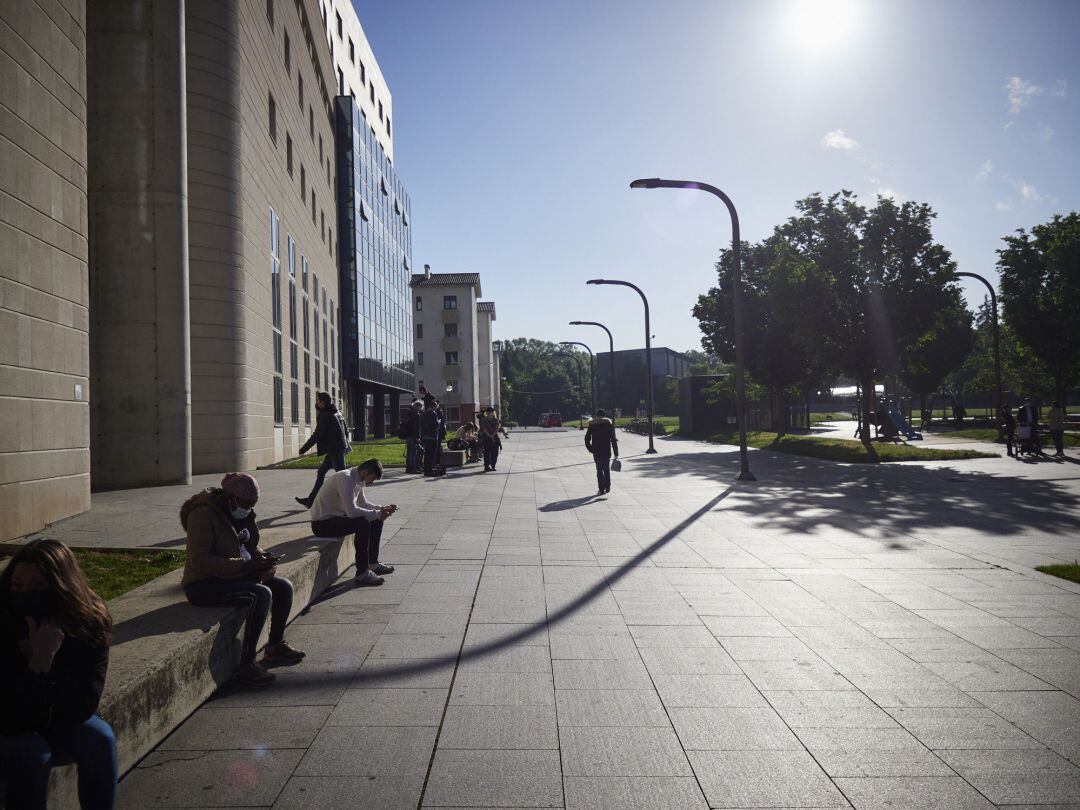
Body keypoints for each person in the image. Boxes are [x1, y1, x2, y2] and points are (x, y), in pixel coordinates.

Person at [0, 539, 118, 810]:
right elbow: (9, 716)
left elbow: (85, 703)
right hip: (9, 726)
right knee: (32, 752)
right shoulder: (4, 620)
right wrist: (38, 664)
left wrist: (48, 662)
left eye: (38, 586)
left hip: (57, 715)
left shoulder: (87, 622)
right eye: (17, 586)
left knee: (99, 738)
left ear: (62, 587)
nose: (25, 594)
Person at [182, 473, 305, 687]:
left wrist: (262, 558)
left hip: (234, 573)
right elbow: (200, 560)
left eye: (253, 504)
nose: (248, 508)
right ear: (230, 497)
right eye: (246, 503)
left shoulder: (241, 514)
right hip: (204, 583)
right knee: (260, 594)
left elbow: (247, 544)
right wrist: (245, 566)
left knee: (283, 587)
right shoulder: (202, 514)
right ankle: (246, 664)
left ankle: (274, 645)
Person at [309, 459, 397, 586]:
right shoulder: (346, 479)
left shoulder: (358, 479)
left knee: (376, 520)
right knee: (363, 523)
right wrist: (377, 513)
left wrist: (381, 509)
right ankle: (362, 573)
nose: (371, 482)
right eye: (372, 478)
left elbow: (363, 504)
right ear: (365, 472)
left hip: (335, 519)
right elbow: (351, 512)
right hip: (322, 524)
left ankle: (372, 563)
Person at [295, 392, 351, 508]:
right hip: (337, 447)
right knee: (323, 472)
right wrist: (344, 444)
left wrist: (303, 449)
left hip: (335, 449)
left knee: (342, 476)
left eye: (318, 400)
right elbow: (345, 430)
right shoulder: (337, 412)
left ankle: (349, 502)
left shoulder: (325, 414)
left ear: (322, 402)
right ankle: (311, 501)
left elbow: (317, 435)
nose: (316, 402)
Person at [584, 408, 619, 495]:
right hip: (606, 450)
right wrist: (616, 452)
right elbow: (613, 439)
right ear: (604, 415)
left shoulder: (592, 425)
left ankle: (601, 488)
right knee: (606, 470)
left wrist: (590, 449)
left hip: (596, 451)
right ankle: (607, 487)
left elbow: (586, 438)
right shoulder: (608, 425)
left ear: (596, 415)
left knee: (599, 470)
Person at [419, 396, 442, 476]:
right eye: (436, 407)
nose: (436, 409)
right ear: (434, 406)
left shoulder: (423, 413)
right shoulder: (433, 414)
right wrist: (439, 422)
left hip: (425, 436)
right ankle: (429, 470)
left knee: (426, 454)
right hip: (432, 437)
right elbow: (435, 425)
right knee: (431, 455)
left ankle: (426, 469)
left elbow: (421, 425)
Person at [399, 399, 423, 473]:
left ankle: (409, 468)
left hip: (407, 435)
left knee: (410, 452)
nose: (421, 408)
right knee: (412, 453)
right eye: (420, 407)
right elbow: (416, 428)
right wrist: (417, 437)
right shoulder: (416, 415)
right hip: (413, 436)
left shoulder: (409, 413)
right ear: (418, 407)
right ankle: (412, 468)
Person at [480, 407, 502, 471]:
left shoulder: (495, 420)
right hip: (487, 438)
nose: (490, 413)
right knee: (487, 453)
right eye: (488, 412)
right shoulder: (484, 420)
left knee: (495, 453)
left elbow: (497, 428)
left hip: (494, 437)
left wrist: (492, 435)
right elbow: (484, 429)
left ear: (493, 413)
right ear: (487, 413)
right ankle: (487, 466)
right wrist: (490, 436)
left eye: (491, 412)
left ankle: (493, 466)